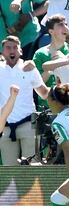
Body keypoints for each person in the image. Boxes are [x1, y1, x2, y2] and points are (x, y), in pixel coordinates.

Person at [0, 36, 50, 165]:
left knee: (33, 169)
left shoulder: (29, 68)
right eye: (8, 47)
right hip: (5, 127)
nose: (12, 51)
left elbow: (44, 94)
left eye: (15, 47)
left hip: (29, 124)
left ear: (21, 51)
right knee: (9, 171)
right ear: (2, 51)